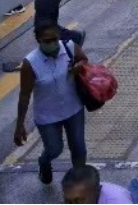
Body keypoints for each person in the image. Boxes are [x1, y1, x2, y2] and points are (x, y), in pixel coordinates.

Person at [15, 18, 88, 185]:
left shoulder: (69, 48)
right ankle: (44, 161)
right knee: (55, 149)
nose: (53, 43)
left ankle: (79, 183)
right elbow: (24, 95)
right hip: (47, 116)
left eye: (55, 38)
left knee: (79, 148)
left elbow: (84, 59)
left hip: (73, 109)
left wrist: (80, 66)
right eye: (48, 41)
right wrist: (19, 125)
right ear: (39, 40)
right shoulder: (30, 63)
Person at [62, 164, 132, 204]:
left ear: (97, 191)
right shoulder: (89, 190)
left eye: (79, 201)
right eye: (68, 201)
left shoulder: (118, 202)